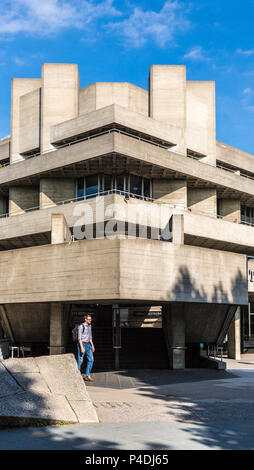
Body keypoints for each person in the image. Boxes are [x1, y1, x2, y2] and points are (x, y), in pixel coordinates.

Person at [77, 314, 95, 382]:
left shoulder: (90, 326)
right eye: (89, 319)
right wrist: (81, 347)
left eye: (91, 319)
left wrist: (92, 346)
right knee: (80, 360)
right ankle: (77, 375)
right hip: (82, 344)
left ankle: (87, 375)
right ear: (85, 319)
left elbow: (90, 337)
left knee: (91, 359)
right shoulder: (81, 326)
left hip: (88, 345)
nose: (90, 320)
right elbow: (79, 338)